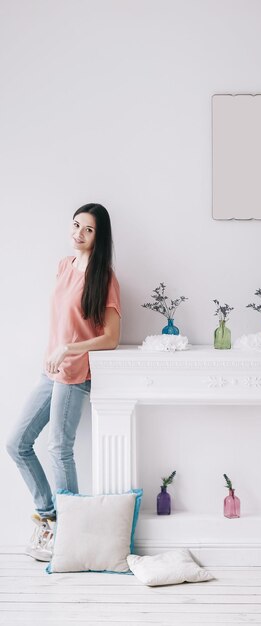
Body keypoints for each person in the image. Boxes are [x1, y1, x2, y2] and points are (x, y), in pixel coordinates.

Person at [6, 203, 121, 561]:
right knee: (17, 443)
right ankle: (50, 515)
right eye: (75, 225)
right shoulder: (63, 266)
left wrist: (70, 348)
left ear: (98, 237)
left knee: (59, 449)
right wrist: (54, 350)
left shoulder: (105, 277)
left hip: (76, 373)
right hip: (50, 371)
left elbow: (111, 338)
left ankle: (72, 535)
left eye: (88, 229)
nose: (78, 234)